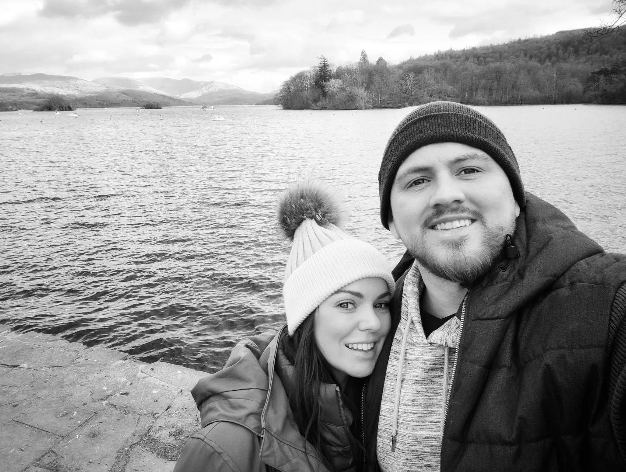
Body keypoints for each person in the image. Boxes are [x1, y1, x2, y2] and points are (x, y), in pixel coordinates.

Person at [364, 101, 626, 471]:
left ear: (517, 200)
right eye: (417, 180)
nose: (445, 194)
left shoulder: (606, 307)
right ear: (390, 220)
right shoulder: (376, 314)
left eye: (469, 170)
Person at [174, 180, 396, 472]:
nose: (372, 323)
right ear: (305, 317)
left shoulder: (377, 395)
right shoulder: (226, 448)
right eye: (346, 304)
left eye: (380, 304)